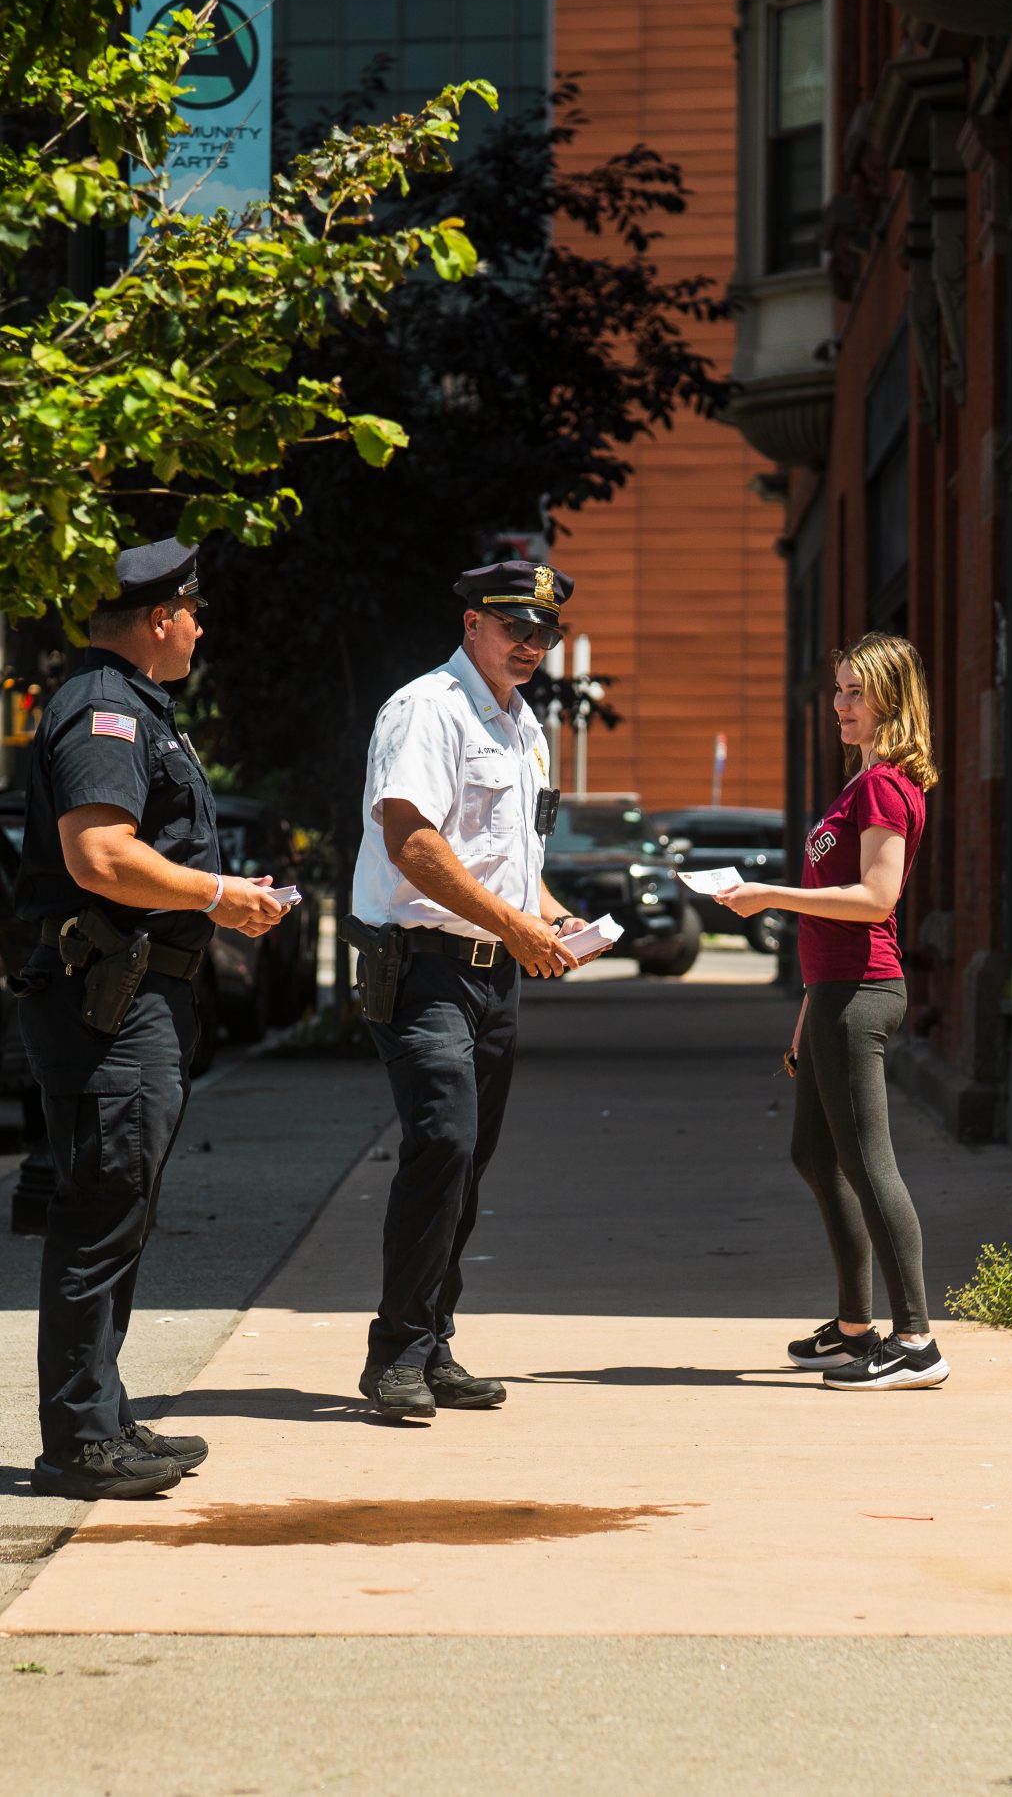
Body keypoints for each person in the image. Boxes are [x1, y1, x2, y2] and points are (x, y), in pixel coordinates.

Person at [12, 538, 292, 1496]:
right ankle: (81, 1441)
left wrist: (211, 891)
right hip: (111, 1010)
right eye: (196, 611)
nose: (202, 628)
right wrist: (216, 895)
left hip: (131, 999)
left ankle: (102, 1417)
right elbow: (99, 857)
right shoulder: (105, 713)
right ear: (162, 617)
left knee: (117, 1210)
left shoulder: (126, 706)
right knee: (100, 1211)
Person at [346, 560, 593, 1419]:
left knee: (468, 1161)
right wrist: (514, 924)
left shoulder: (523, 725)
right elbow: (413, 842)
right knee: (442, 1142)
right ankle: (396, 1357)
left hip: (494, 976)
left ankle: (433, 1340)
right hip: (424, 967)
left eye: (545, 633)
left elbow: (514, 859)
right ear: (471, 626)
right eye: (515, 627)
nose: (531, 645)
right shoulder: (429, 709)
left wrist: (553, 919)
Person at [716, 631, 946, 1390]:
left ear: (889, 698)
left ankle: (916, 1342)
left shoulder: (884, 787)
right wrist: (806, 1011)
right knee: (816, 1155)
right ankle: (854, 1329)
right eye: (838, 690)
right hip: (834, 994)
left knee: (866, 1162)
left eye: (854, 692)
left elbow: (878, 899)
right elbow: (835, 918)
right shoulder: (862, 783)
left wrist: (769, 895)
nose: (839, 705)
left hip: (863, 993)